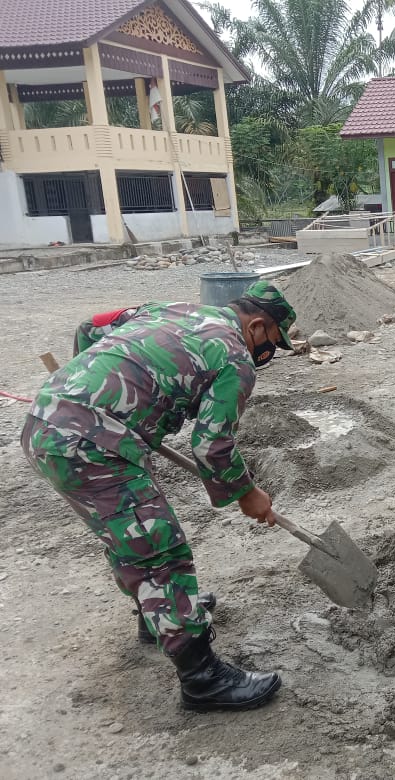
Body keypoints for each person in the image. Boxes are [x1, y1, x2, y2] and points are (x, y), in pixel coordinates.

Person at [21, 280, 296, 712]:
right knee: (159, 549)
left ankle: (159, 620)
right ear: (259, 326)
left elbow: (91, 327)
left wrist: (94, 384)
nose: (268, 355)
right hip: (89, 445)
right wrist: (248, 493)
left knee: (131, 537)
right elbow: (212, 445)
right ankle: (203, 679)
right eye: (274, 344)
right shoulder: (234, 356)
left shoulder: (174, 309)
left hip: (48, 424)